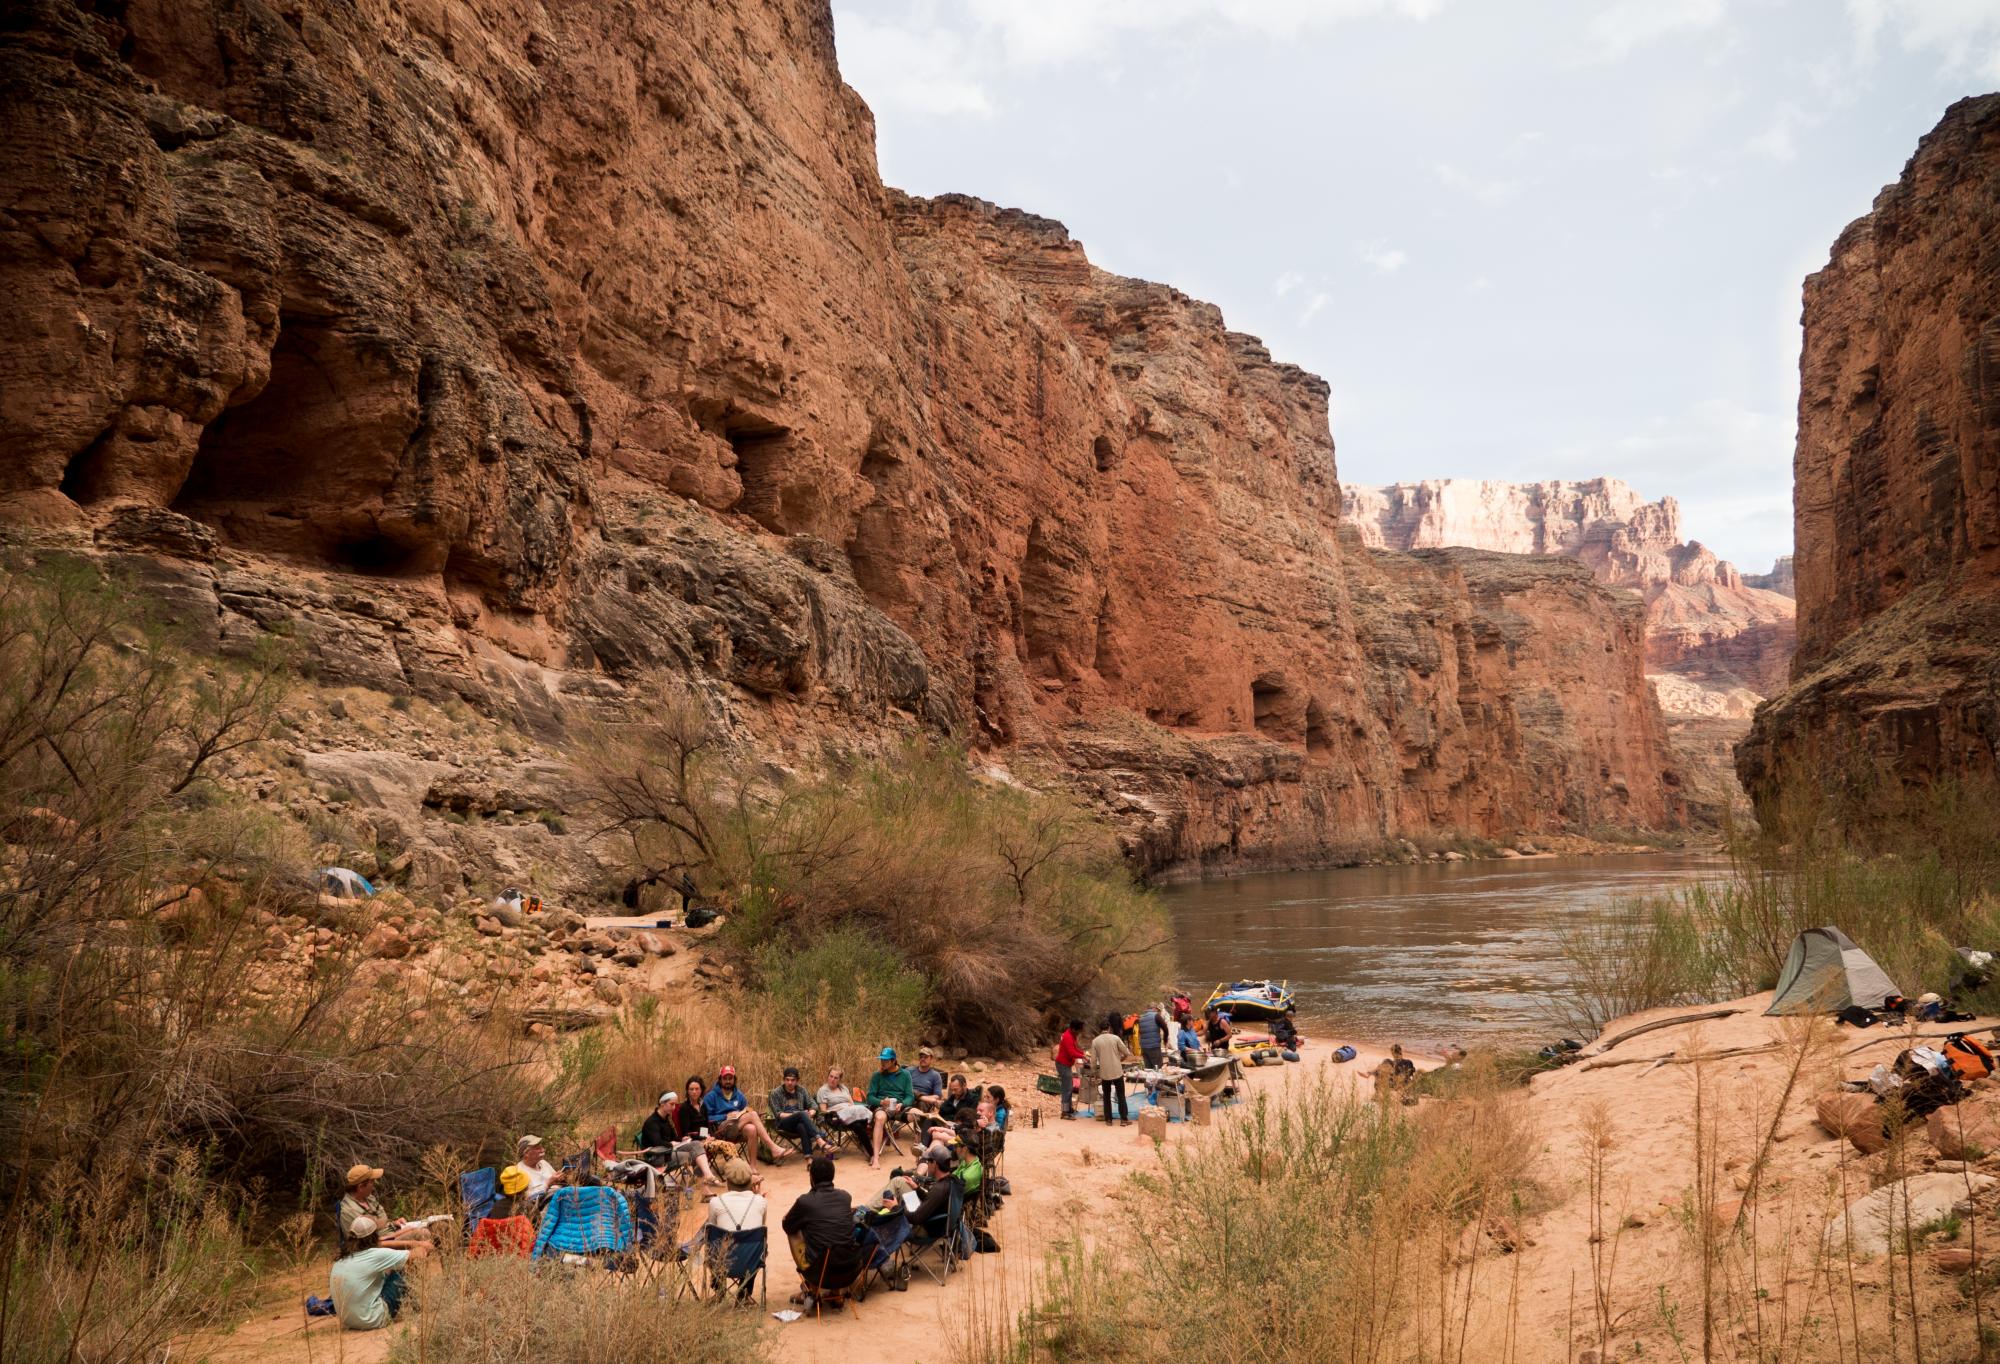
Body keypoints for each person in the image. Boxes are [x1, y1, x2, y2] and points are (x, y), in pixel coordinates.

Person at [329, 1216, 429, 1331]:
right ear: (374, 1236)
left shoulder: (341, 1259)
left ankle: (413, 1304)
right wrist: (427, 1244)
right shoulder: (375, 1255)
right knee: (404, 1266)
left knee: (389, 1270)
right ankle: (418, 1307)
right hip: (374, 1319)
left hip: (348, 1321)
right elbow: (419, 1254)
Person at [782, 1155, 855, 1291]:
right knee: (832, 1232)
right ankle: (836, 1294)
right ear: (832, 1176)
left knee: (795, 1230)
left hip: (820, 1274)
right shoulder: (845, 1197)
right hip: (849, 1269)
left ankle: (812, 1291)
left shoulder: (805, 1202)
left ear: (811, 1177)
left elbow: (787, 1226)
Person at [705, 1064, 787, 1168]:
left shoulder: (739, 1095)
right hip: (720, 1130)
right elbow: (706, 1118)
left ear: (734, 1079)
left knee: (752, 1129)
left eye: (730, 1078)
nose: (728, 1081)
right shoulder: (711, 1096)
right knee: (752, 1115)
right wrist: (725, 1116)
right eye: (725, 1078)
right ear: (720, 1080)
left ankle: (753, 1167)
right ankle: (773, 1148)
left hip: (737, 1128)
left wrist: (743, 1112)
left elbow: (746, 1109)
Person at [337, 1164, 432, 1247]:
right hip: (377, 1246)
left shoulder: (369, 1198)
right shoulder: (348, 1211)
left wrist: (394, 1223)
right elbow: (364, 1244)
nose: (374, 1185)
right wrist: (400, 1233)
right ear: (361, 1187)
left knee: (436, 1226)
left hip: (390, 1235)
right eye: (372, 1182)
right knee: (422, 1233)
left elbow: (381, 1222)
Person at [640, 1091, 720, 1185]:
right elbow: (657, 1142)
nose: (674, 1108)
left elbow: (674, 1137)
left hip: (669, 1151)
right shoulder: (652, 1122)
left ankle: (708, 1176)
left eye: (675, 1104)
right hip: (657, 1157)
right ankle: (704, 1185)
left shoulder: (666, 1119)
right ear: (662, 1104)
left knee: (696, 1144)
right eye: (671, 1104)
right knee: (694, 1154)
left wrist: (682, 1140)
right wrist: (671, 1144)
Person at [866, 1047, 916, 1170]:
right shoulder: (877, 1075)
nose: (882, 1062)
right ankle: (876, 1158)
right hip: (884, 1107)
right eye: (881, 1059)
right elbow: (870, 1097)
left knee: (917, 1114)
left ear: (893, 1061)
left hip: (900, 1107)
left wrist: (902, 1104)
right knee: (879, 1118)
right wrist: (881, 1102)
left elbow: (910, 1096)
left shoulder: (905, 1074)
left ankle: (920, 1157)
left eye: (886, 1060)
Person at [769, 1066, 833, 1156]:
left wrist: (810, 1113)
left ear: (797, 1081)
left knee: (801, 1126)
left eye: (792, 1080)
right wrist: (798, 1114)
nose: (789, 1082)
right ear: (783, 1080)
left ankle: (808, 1157)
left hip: (800, 1121)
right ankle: (820, 1140)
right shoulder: (775, 1093)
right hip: (783, 1124)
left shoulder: (802, 1090)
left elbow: (813, 1105)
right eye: (787, 1080)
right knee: (801, 1114)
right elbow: (778, 1114)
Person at [1090, 1013, 1133, 1126]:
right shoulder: (1115, 1038)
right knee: (1121, 1095)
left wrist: (1094, 1072)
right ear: (1109, 1028)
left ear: (1100, 1029)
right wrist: (1121, 1059)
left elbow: (1093, 1061)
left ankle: (1108, 1119)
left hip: (1105, 1072)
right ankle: (1124, 1119)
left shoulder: (1095, 1041)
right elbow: (1127, 1052)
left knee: (1106, 1096)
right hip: (1117, 1070)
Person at [815, 1066, 875, 1148]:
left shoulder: (843, 1088)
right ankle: (870, 1150)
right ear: (828, 1076)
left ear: (839, 1080)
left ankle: (868, 1147)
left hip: (850, 1114)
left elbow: (851, 1104)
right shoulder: (822, 1091)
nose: (832, 1079)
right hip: (835, 1118)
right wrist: (838, 1109)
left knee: (860, 1121)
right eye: (831, 1076)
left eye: (836, 1078)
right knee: (858, 1125)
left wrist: (849, 1108)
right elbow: (824, 1111)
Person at [705, 1159, 767, 1237]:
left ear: (727, 1181)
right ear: (750, 1181)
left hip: (726, 1248)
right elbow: (761, 1229)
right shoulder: (761, 1201)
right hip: (755, 1249)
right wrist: (757, 1196)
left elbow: (713, 1234)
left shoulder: (715, 1202)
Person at [514, 1135, 564, 1207]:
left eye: (542, 1147)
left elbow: (555, 1180)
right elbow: (527, 1199)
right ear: (526, 1153)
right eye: (538, 1148)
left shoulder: (543, 1163)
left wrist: (559, 1179)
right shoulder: (519, 1171)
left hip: (560, 1197)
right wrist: (548, 1183)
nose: (543, 1150)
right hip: (544, 1207)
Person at [1053, 1019, 1086, 1121]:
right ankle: (1064, 1112)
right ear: (1073, 1028)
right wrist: (1084, 1056)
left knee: (1069, 1087)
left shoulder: (1071, 1035)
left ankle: (1069, 1109)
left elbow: (1075, 1049)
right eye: (1078, 1030)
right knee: (1066, 1089)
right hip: (1063, 1064)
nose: (1079, 1033)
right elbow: (1072, 1052)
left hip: (1066, 1064)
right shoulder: (1067, 1037)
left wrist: (1083, 1053)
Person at [909, 1046, 946, 1113]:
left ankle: (919, 1123)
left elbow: (937, 1096)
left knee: (922, 1103)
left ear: (931, 1059)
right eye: (921, 1057)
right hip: (909, 1097)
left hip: (924, 1103)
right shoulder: (910, 1071)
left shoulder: (935, 1075)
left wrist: (923, 1098)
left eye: (925, 1057)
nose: (923, 1059)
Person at [1135, 1004, 1165, 1070]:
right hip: (1154, 1046)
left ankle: (1149, 1080)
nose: (1158, 1011)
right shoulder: (1156, 1016)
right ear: (1154, 1008)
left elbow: (1140, 1033)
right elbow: (1165, 1028)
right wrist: (1165, 1041)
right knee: (1157, 1068)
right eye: (1157, 1010)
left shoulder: (1141, 1018)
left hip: (1144, 1047)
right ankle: (1158, 1080)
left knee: (1148, 1069)